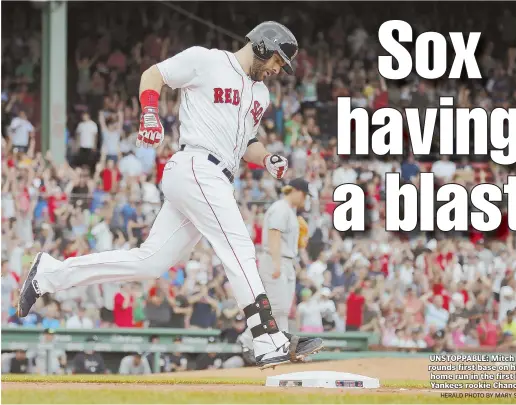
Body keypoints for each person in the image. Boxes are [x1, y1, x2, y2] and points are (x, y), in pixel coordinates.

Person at [17, 21, 322, 369]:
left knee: (151, 262)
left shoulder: (261, 95)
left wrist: (266, 157)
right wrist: (149, 114)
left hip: (216, 176)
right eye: (278, 60)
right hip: (196, 165)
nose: (277, 69)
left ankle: (50, 274)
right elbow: (153, 74)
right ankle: (268, 338)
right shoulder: (207, 61)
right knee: (239, 247)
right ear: (263, 46)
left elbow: (247, 144)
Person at [239, 178, 310, 363]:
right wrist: (277, 263)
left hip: (285, 260)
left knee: (281, 309)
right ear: (295, 191)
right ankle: (248, 340)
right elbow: (274, 234)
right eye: (303, 194)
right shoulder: (280, 208)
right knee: (276, 307)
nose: (304, 199)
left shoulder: (290, 211)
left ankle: (282, 348)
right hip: (274, 259)